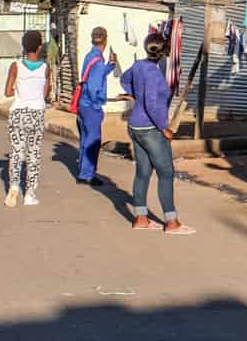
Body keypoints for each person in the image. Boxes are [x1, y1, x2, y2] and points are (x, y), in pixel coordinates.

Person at [120, 34, 190, 233]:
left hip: (135, 126)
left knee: (142, 173)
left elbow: (125, 79)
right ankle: (171, 222)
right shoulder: (153, 73)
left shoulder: (138, 66)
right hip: (151, 129)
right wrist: (164, 128)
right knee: (166, 173)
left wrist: (135, 94)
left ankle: (141, 219)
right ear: (164, 51)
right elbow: (151, 103)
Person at [3, 31, 51, 207]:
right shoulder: (46, 68)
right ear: (39, 47)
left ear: (23, 47)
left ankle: (14, 186)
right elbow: (45, 92)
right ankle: (30, 194)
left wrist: (19, 91)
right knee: (34, 154)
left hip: (18, 113)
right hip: (36, 112)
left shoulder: (15, 66)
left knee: (16, 153)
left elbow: (7, 92)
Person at [74, 27, 116, 187]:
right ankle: (87, 174)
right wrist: (97, 103)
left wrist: (110, 66)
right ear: (105, 41)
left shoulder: (90, 57)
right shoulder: (98, 62)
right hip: (91, 106)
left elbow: (93, 76)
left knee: (85, 139)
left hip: (83, 105)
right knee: (93, 141)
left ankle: (83, 171)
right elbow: (93, 86)